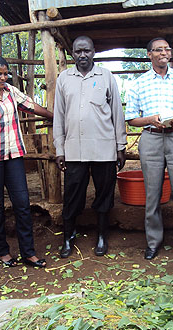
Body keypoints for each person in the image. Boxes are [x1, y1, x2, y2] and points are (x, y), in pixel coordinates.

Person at [0, 56, 53, 268]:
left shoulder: (11, 92)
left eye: (6, 74)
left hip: (13, 156)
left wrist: (54, 116)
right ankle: (3, 252)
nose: (3, 78)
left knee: (22, 204)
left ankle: (28, 253)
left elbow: (31, 106)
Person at [125, 37, 173, 260]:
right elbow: (131, 118)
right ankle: (153, 242)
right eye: (158, 50)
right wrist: (150, 119)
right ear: (149, 54)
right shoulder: (139, 84)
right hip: (151, 138)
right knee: (152, 194)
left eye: (166, 49)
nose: (163, 53)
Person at [53, 36, 127, 258]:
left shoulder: (106, 76)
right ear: (72, 53)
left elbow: (116, 112)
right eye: (77, 51)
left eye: (86, 51)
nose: (82, 55)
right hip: (74, 149)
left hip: (104, 149)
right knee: (72, 193)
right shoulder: (64, 79)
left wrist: (120, 146)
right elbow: (59, 115)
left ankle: (102, 236)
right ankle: (68, 236)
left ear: (94, 52)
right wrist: (60, 149)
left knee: (104, 193)